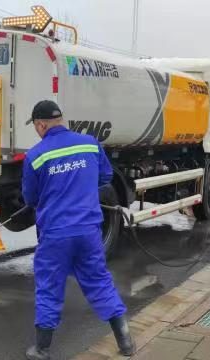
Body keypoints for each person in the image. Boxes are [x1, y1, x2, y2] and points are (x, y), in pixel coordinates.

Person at [21, 100, 134, 360]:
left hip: (55, 235)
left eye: (36, 127)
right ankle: (126, 342)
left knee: (50, 287)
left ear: (41, 124)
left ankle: (42, 349)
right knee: (99, 282)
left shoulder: (35, 156)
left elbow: (30, 198)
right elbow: (105, 176)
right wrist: (80, 187)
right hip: (88, 232)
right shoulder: (89, 144)